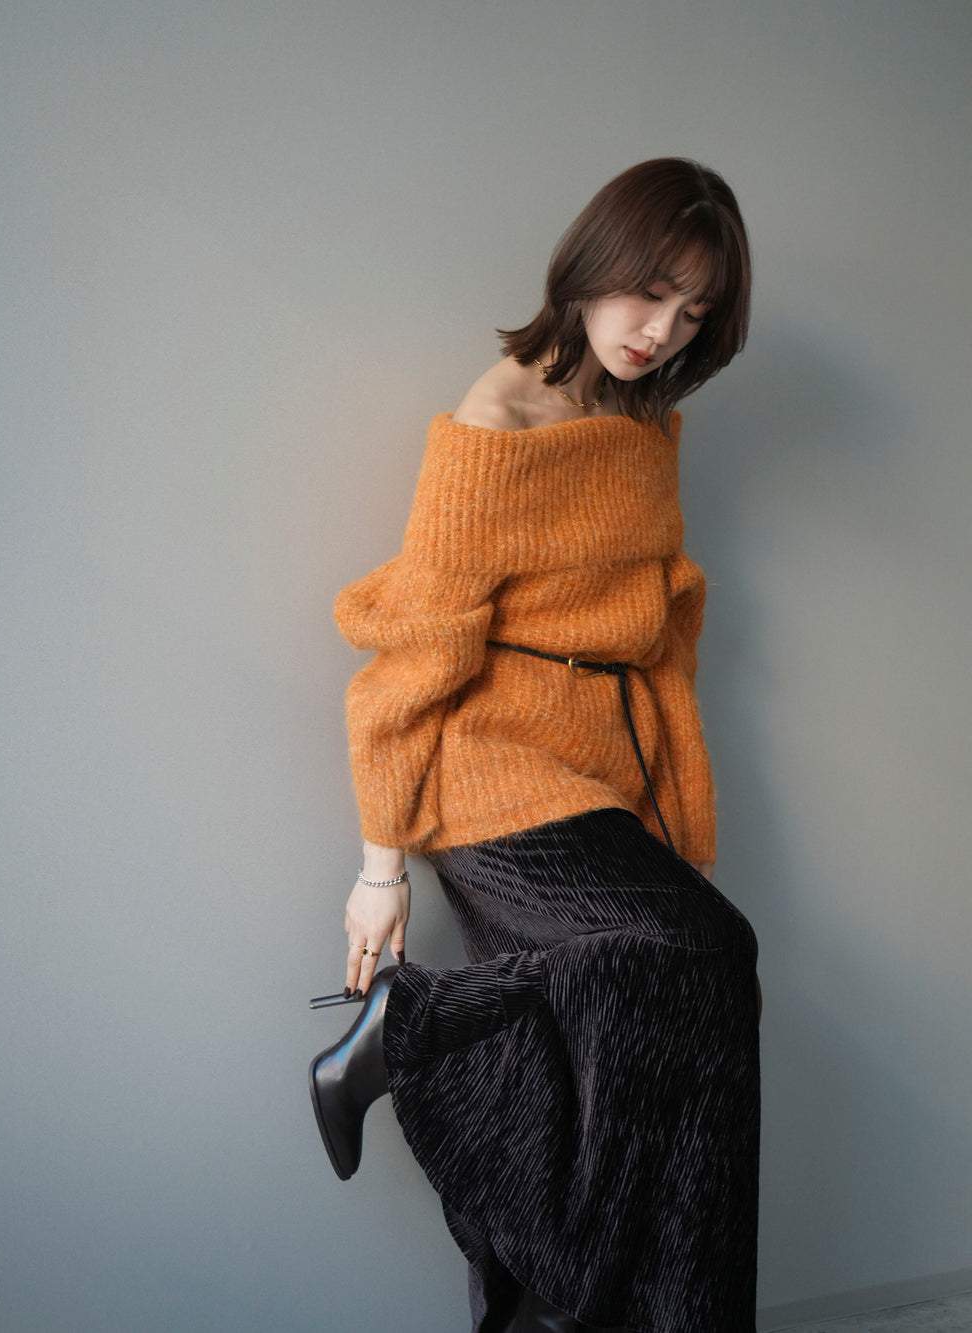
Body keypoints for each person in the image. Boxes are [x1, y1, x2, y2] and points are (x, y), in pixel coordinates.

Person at [310, 159, 760, 1333]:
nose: (660, 331)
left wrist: (677, 815)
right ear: (593, 267)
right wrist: (378, 867)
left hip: (601, 771)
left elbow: (658, 641)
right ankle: (411, 1025)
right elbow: (412, 660)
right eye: (649, 292)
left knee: (592, 1071)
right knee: (704, 951)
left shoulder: (644, 420)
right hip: (489, 773)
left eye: (694, 312)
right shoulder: (493, 425)